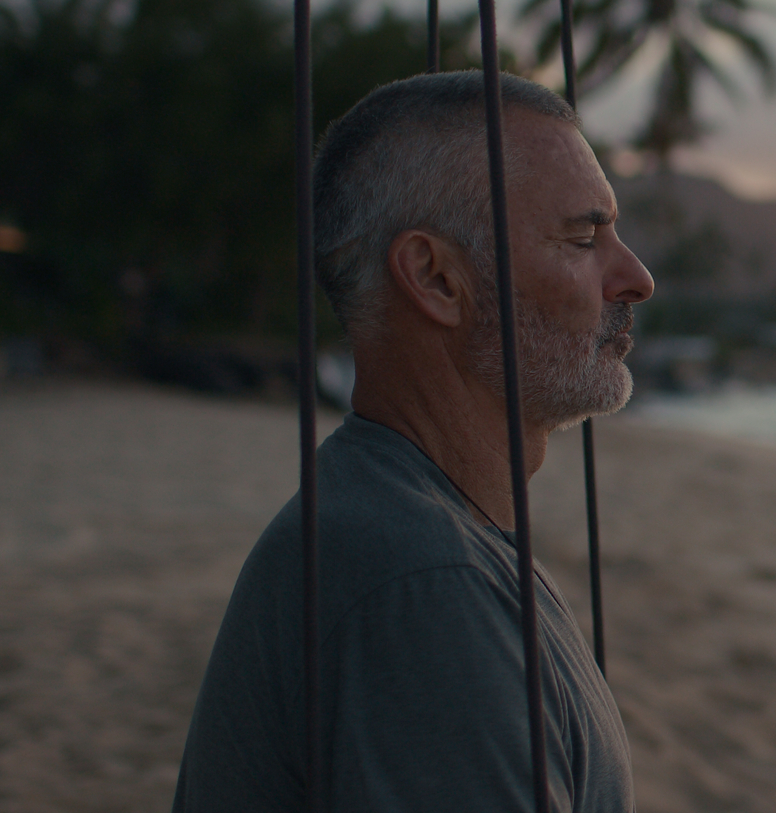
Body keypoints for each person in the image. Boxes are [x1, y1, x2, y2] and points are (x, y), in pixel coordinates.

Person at [173, 70, 653, 812]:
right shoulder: (422, 584)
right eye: (584, 237)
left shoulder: (415, 528)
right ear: (435, 278)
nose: (635, 277)